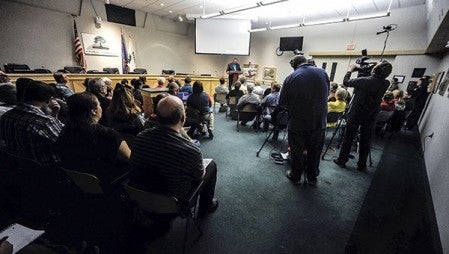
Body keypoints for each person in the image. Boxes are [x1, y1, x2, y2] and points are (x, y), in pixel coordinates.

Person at [130, 96, 218, 218]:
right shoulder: (191, 150)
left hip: (142, 197)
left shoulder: (140, 137)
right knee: (211, 165)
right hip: (175, 204)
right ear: (183, 118)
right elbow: (199, 176)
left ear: (157, 116)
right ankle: (207, 206)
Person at [56, 92, 131, 188]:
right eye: (99, 104)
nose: (101, 107)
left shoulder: (64, 132)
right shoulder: (108, 135)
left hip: (79, 184)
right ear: (94, 111)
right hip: (108, 183)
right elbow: (130, 159)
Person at [334, 60, 393, 171]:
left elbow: (346, 82)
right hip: (371, 115)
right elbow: (373, 80)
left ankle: (342, 160)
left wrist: (350, 70)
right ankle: (362, 165)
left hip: (357, 113)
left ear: (374, 70)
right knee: (366, 140)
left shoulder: (364, 81)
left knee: (348, 137)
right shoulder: (386, 83)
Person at [278, 55, 329, 185]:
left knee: (297, 151)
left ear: (294, 66)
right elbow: (326, 94)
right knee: (315, 151)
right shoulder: (323, 72)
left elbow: (282, 102)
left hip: (298, 122)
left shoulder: (291, 77)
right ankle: (312, 178)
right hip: (319, 121)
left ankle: (296, 176)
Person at [0, 81, 63, 166]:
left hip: (17, 169)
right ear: (49, 100)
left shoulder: (6, 116)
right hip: (47, 170)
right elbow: (65, 144)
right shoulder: (44, 123)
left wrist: (54, 114)